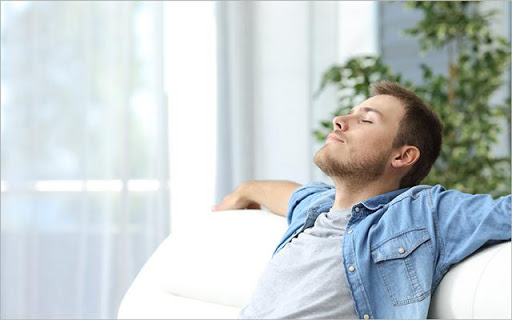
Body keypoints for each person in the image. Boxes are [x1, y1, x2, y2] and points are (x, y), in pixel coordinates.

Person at [213, 81, 511, 319]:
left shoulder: (422, 211)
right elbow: (284, 193)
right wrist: (244, 191)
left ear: (403, 155)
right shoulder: (317, 208)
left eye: (366, 120)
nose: (340, 121)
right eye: (350, 113)